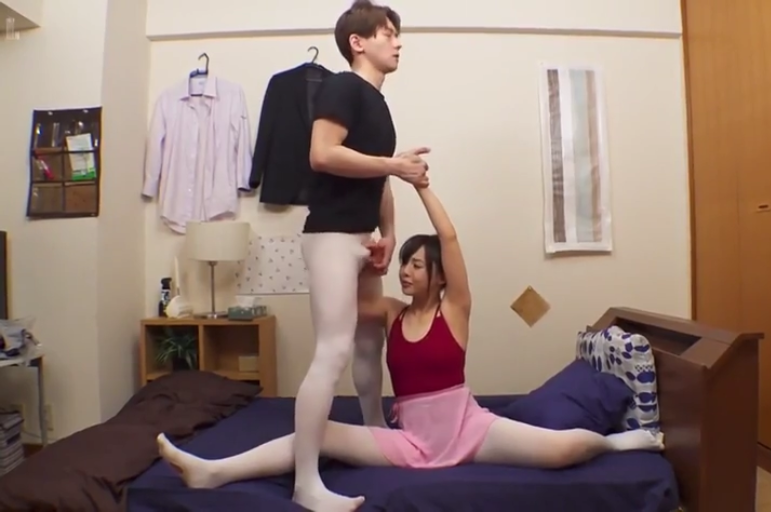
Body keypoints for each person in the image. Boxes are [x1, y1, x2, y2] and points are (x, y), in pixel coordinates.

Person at [156, 184, 666, 511]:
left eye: (417, 265)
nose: (406, 271)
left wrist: (421, 186)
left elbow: (450, 237)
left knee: (566, 449)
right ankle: (214, 472)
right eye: (405, 263)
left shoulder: (456, 309)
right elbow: (348, 298)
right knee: (314, 431)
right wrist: (367, 249)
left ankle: (617, 443)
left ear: (438, 276)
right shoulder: (391, 313)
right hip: (411, 440)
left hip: (469, 429)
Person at [293, 0, 432, 510]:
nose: (398, 42)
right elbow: (322, 153)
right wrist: (393, 165)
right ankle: (305, 483)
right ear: (358, 42)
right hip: (330, 236)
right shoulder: (342, 87)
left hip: (363, 237)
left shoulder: (378, 103)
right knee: (333, 350)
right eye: (387, 33)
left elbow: (378, 178)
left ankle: (375, 433)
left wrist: (389, 234)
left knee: (370, 340)